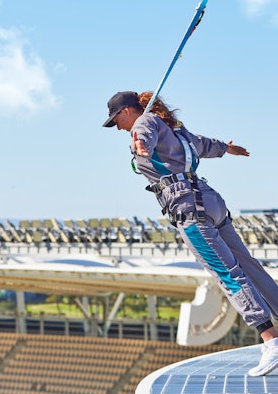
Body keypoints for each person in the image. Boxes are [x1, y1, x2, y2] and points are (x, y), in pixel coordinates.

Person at [102, 90, 278, 376]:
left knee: (228, 274)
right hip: (210, 200)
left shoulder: (143, 124)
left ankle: (271, 342)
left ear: (126, 112)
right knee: (249, 266)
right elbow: (204, 145)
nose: (118, 127)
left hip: (188, 209)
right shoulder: (173, 127)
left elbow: (142, 137)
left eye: (116, 121)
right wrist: (227, 148)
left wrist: (140, 146)